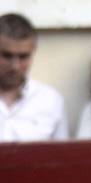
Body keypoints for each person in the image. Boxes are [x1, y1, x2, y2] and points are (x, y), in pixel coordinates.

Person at [0, 13, 67, 142]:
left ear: (33, 53)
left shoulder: (51, 101)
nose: (15, 66)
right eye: (7, 56)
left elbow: (62, 158)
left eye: (23, 57)